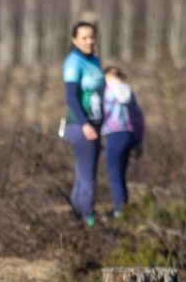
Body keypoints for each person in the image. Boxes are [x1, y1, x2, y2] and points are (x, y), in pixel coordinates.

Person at [61, 21, 105, 226]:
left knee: (82, 175)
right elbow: (71, 98)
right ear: (74, 40)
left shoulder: (94, 61)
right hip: (80, 124)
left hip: (94, 123)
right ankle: (88, 220)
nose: (89, 41)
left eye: (92, 37)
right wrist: (85, 124)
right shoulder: (73, 62)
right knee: (88, 177)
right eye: (84, 38)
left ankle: (76, 216)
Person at [101, 66, 145, 218]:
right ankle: (124, 208)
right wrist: (138, 140)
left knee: (114, 174)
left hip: (113, 134)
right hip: (129, 134)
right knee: (121, 174)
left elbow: (99, 113)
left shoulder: (105, 92)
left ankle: (119, 211)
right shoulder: (128, 91)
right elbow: (138, 116)